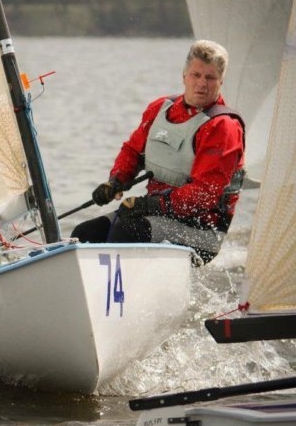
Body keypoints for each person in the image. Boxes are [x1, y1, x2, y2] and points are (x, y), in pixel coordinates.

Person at [71, 40, 245, 264]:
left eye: (210, 77)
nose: (202, 83)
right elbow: (132, 151)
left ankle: (122, 285)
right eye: (196, 75)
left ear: (221, 81)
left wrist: (150, 205)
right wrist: (116, 181)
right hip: (158, 213)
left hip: (201, 232)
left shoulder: (223, 127)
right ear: (184, 76)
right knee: (84, 234)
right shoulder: (160, 108)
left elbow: (204, 194)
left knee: (127, 231)